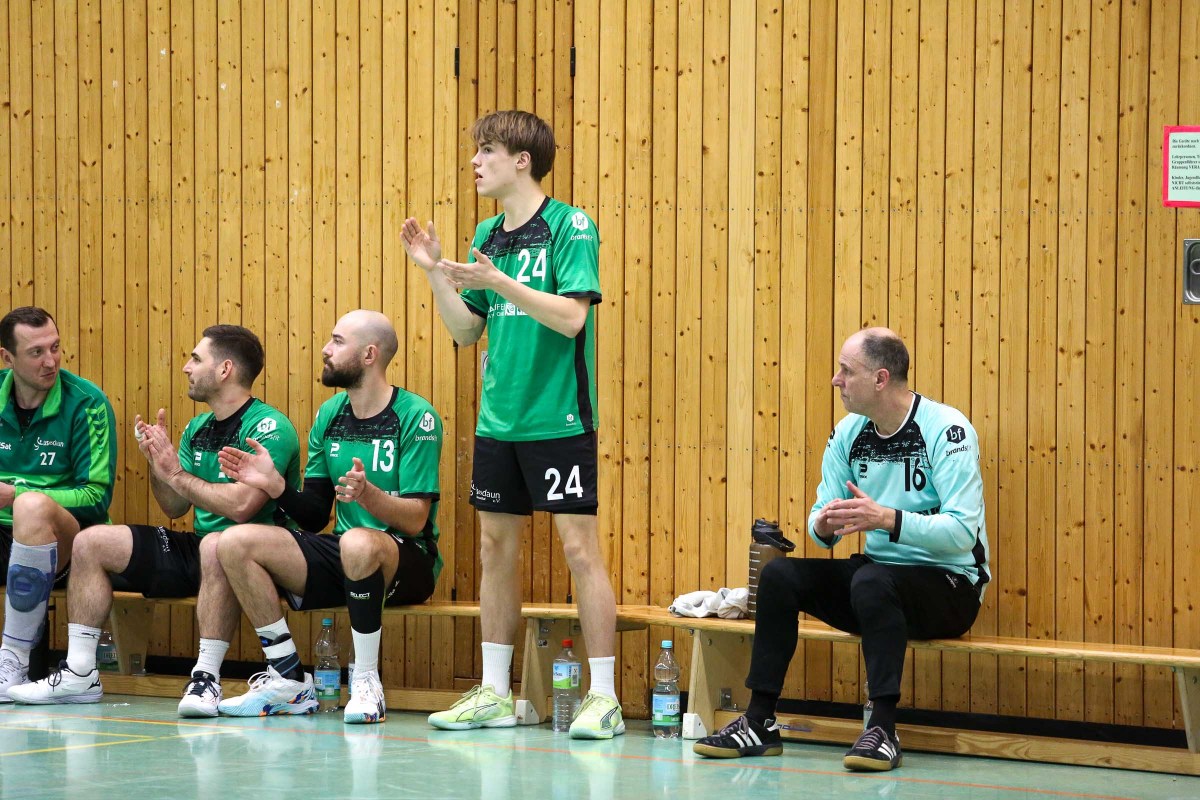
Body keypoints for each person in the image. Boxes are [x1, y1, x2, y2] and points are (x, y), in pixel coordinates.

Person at [402, 109, 621, 739]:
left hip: (559, 419)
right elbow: (466, 330)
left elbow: (572, 319)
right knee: (495, 550)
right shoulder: (487, 234)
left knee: (580, 550)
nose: (475, 162)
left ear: (522, 161)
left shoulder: (570, 225)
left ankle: (603, 697)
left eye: (487, 151)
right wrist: (435, 273)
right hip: (499, 424)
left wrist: (499, 281)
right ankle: (496, 693)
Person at [693, 327, 990, 771]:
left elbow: (963, 533)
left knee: (871, 579)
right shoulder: (850, 433)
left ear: (881, 379)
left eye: (846, 371)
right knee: (780, 576)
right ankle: (759, 722)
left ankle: (883, 729)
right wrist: (824, 524)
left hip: (951, 588)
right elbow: (820, 519)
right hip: (878, 584)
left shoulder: (946, 430)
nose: (836, 380)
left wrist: (886, 518)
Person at [8, 325, 301, 715]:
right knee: (92, 541)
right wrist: (157, 464)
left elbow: (242, 507)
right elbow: (175, 507)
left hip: (253, 556)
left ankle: (206, 678)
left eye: (196, 359)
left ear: (225, 369)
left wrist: (177, 473)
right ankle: (79, 672)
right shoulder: (198, 427)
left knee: (218, 544)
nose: (186, 367)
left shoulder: (268, 427)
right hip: (200, 545)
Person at [214, 309, 442, 724]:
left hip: (408, 559)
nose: (325, 349)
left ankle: (366, 680)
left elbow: (415, 521)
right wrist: (275, 486)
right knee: (234, 541)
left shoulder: (416, 416)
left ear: (369, 355)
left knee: (358, 542)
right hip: (347, 553)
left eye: (337, 341)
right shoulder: (330, 413)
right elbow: (316, 516)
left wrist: (370, 496)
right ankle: (287, 679)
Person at [0, 307, 117, 702]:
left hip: (65, 540)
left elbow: (96, 497)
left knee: (31, 507)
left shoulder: (87, 403)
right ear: (7, 357)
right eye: (36, 352)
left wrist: (15, 494)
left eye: (55, 348)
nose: (50, 361)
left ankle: (12, 663)